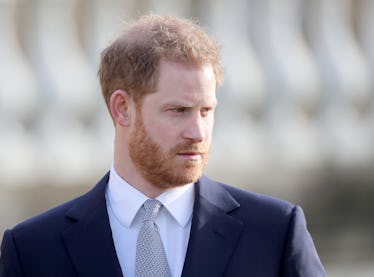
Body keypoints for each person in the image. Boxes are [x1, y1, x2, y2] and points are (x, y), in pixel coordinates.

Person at [0, 14, 326, 277]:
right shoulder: (33, 249)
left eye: (206, 110)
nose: (198, 131)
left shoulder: (275, 231)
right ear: (122, 108)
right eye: (179, 111)